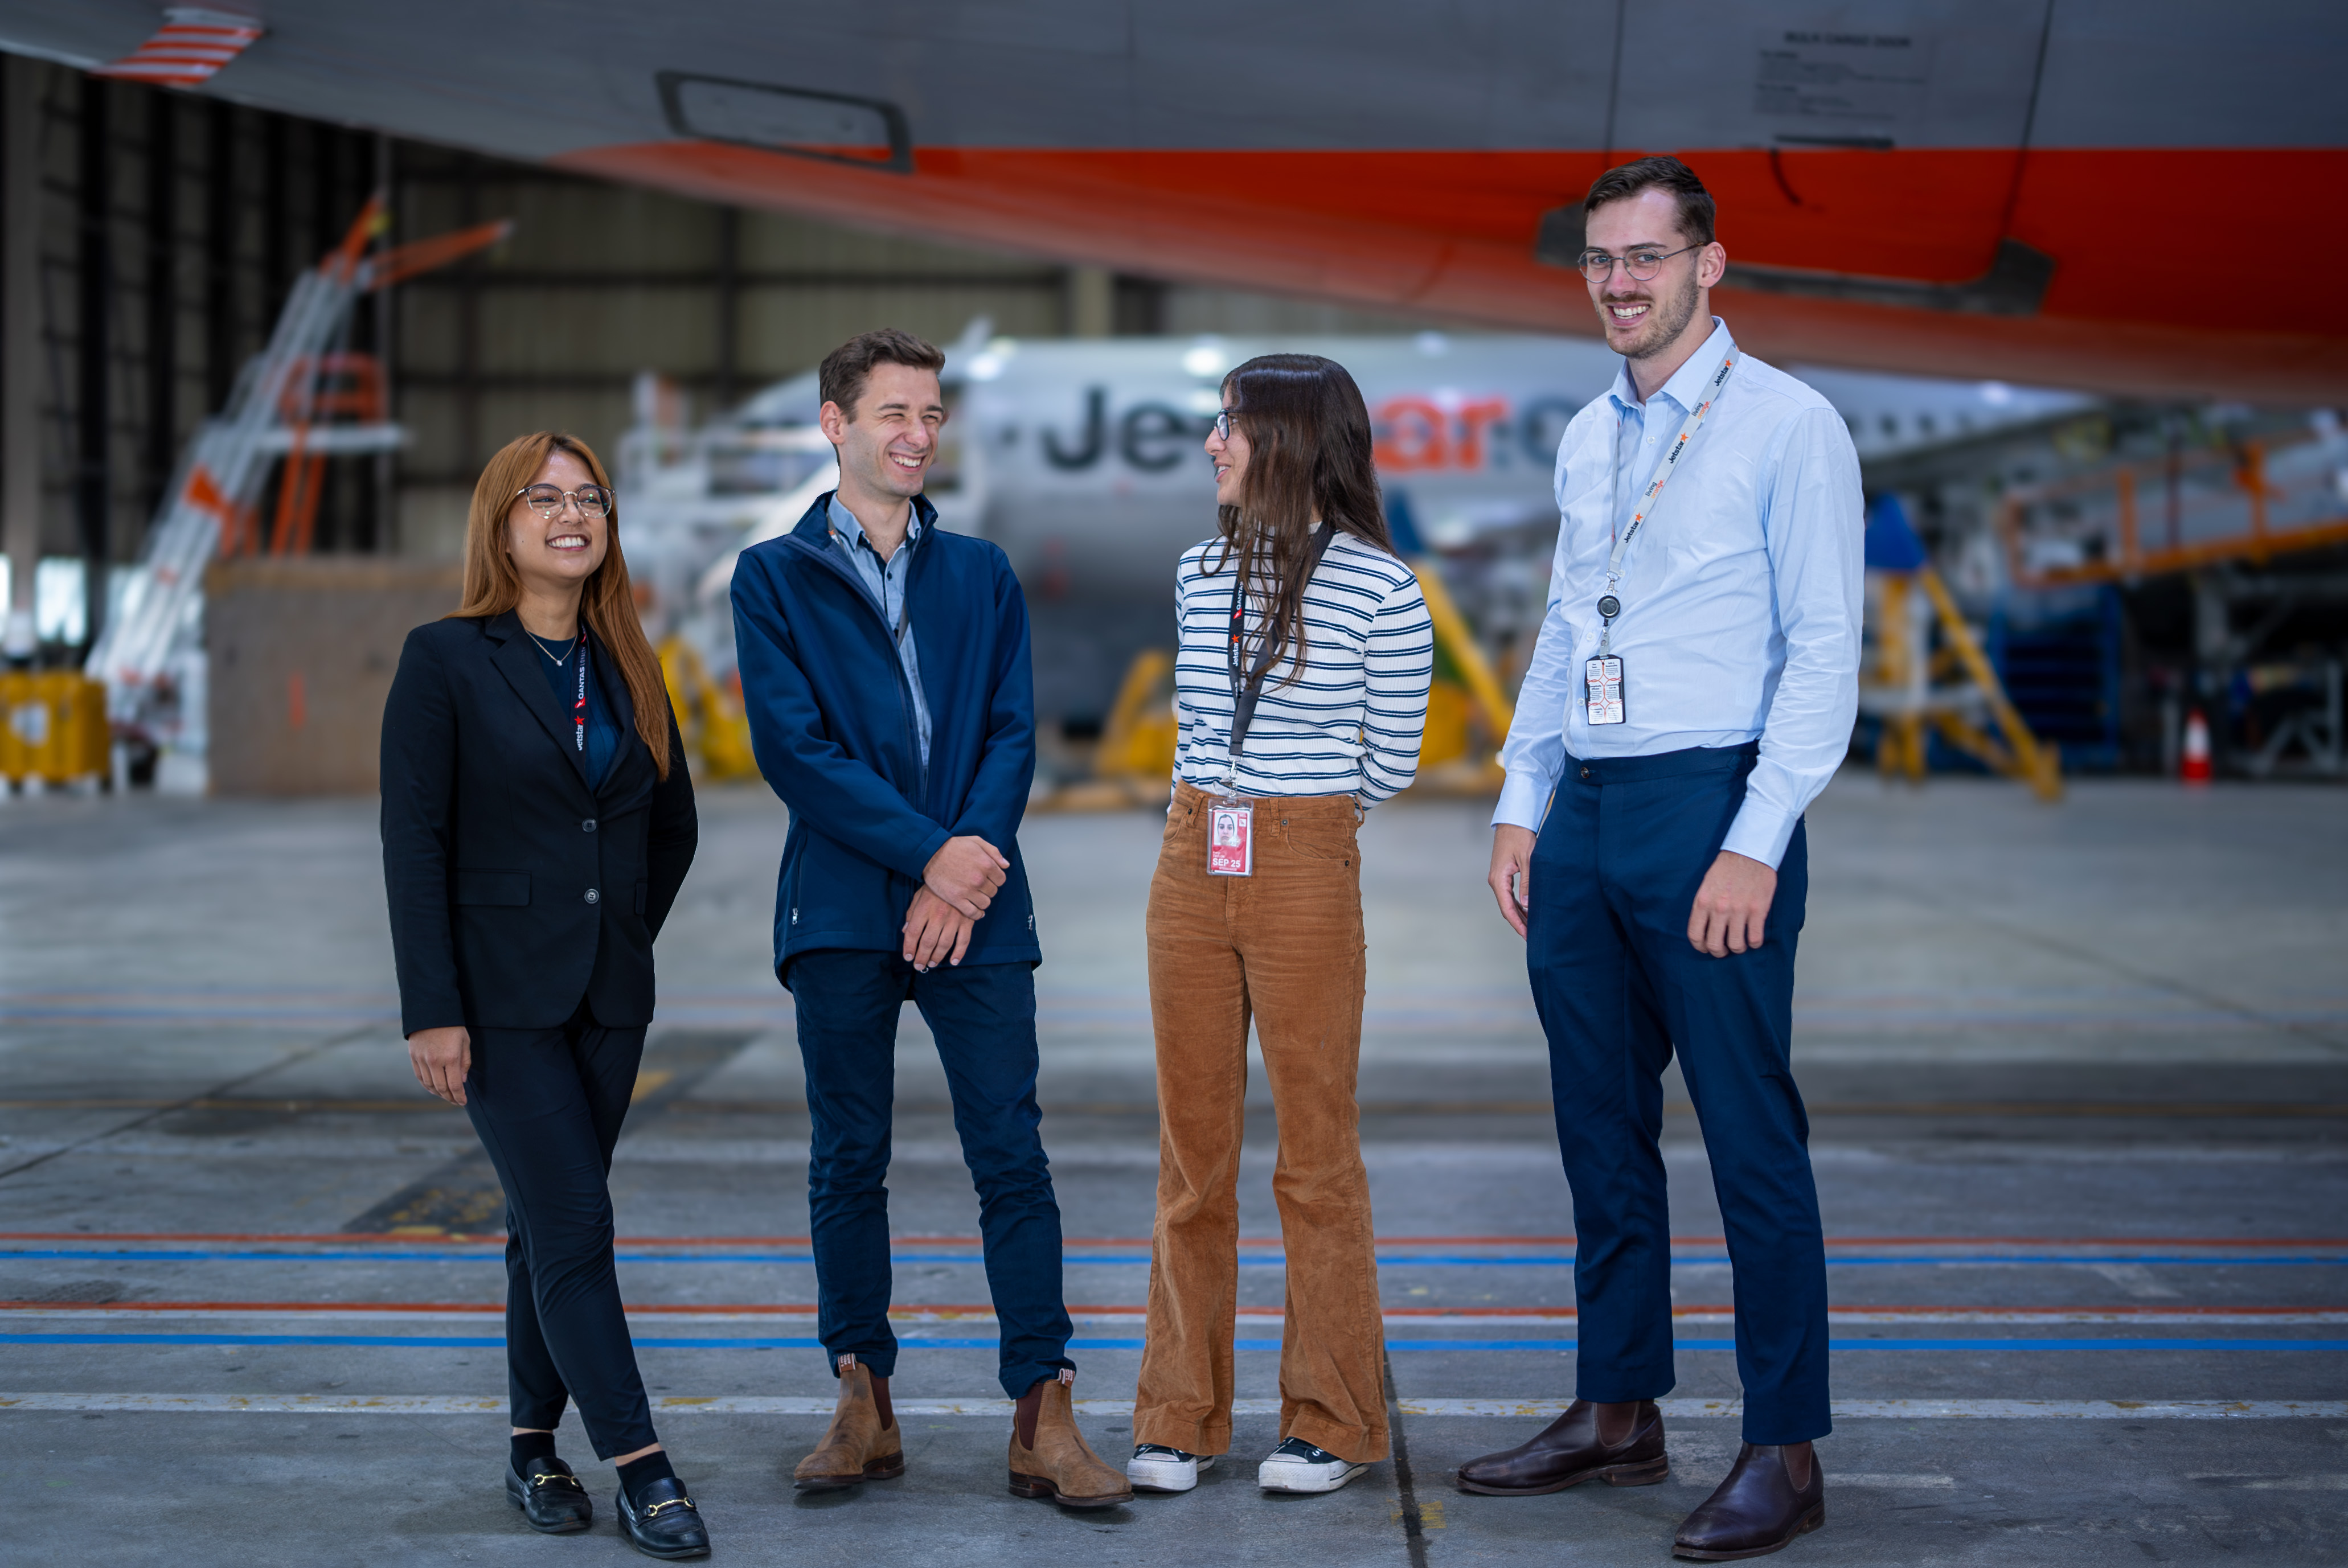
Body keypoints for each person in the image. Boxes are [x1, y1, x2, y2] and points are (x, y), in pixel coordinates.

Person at [1456, 157, 1862, 1561]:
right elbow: (1573, 626)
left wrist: (1757, 839)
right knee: (1597, 1128)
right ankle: (1619, 1409)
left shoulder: (1787, 425)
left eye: (1645, 257)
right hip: (1592, 812)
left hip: (1711, 803)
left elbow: (1823, 648)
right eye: (1598, 261)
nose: (1619, 283)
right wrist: (1524, 794)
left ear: (1710, 265)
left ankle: (1783, 1447)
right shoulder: (1590, 435)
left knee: (1751, 1137)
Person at [731, 328, 1131, 1510]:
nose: (916, 435)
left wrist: (967, 870)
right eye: (894, 413)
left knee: (1011, 1153)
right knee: (847, 1159)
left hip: (980, 907)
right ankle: (863, 1400)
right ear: (835, 423)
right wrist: (929, 860)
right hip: (847, 906)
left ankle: (1042, 1411)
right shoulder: (773, 578)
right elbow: (793, 753)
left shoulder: (982, 574)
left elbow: (1013, 731)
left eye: (930, 416)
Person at [382, 432, 707, 1559]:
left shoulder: (630, 659)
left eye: (590, 500)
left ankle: (531, 1444)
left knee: (540, 1229)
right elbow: (413, 842)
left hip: (609, 997)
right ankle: (643, 1467)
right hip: (497, 1003)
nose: (572, 516)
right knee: (576, 1222)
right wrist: (433, 1006)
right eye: (545, 499)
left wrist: (616, 930)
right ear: (501, 523)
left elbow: (673, 825)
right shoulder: (446, 660)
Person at [1129, 354, 1433, 1499]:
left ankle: (1336, 1421)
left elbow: (1388, 761)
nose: (1213, 445)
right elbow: (1197, 723)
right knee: (1190, 1162)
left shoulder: (1379, 588)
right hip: (1190, 854)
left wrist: (1295, 822)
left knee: (1315, 1159)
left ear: (1293, 444)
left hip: (1306, 857)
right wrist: (1214, 812)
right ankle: (1179, 1416)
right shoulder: (1197, 571)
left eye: (1232, 429)